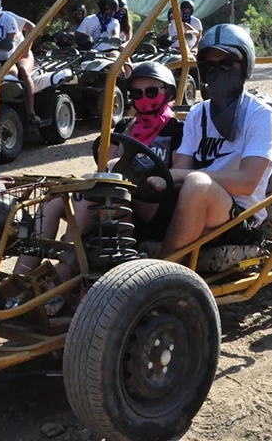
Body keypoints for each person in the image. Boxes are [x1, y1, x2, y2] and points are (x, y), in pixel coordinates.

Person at [14, 61, 183, 313]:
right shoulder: (124, 128)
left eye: (151, 92)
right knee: (53, 201)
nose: (144, 99)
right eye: (137, 93)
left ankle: (60, 281)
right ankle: (18, 284)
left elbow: (178, 174)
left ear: (167, 93)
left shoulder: (177, 130)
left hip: (154, 205)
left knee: (96, 191)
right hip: (118, 200)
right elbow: (105, 167)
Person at [147, 23, 272, 257]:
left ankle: (162, 277)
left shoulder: (260, 114)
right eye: (210, 66)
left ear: (244, 66)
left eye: (226, 64)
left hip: (240, 215)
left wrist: (182, 176)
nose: (218, 72)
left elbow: (247, 182)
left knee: (197, 184)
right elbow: (179, 173)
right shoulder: (198, 113)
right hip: (194, 203)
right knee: (115, 175)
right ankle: (81, 273)